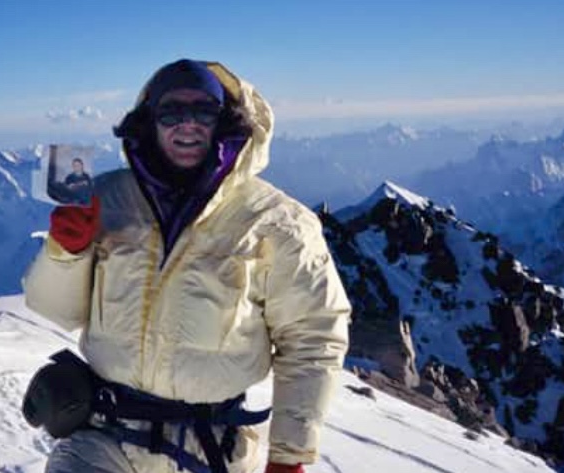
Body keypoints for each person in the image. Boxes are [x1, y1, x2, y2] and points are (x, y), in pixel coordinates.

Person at [22, 59, 351, 473]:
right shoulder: (103, 198)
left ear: (226, 120)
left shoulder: (278, 222)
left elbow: (313, 339)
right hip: (105, 435)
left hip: (210, 447)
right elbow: (56, 310)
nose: (187, 124)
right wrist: (66, 252)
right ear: (150, 121)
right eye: (171, 112)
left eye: (203, 112)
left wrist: (289, 455)